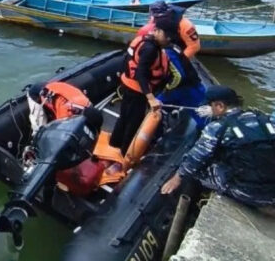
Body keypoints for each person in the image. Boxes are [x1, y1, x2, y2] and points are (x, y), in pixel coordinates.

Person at [161, 85, 275, 215]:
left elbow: (196, 158)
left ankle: (193, 204)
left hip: (247, 192)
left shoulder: (217, 128)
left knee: (198, 170)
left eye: (210, 106)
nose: (208, 109)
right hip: (271, 192)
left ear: (220, 106)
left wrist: (177, 177)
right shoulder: (262, 119)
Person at [109, 18, 173, 155]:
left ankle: (114, 142)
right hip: (136, 89)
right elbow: (140, 74)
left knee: (124, 116)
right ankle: (125, 152)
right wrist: (150, 98)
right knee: (134, 122)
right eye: (166, 36)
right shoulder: (150, 49)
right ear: (157, 31)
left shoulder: (146, 41)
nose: (168, 40)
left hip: (128, 84)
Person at [27, 81, 92, 135]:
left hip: (52, 88)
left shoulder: (87, 103)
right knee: (40, 125)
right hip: (36, 92)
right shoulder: (65, 113)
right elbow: (61, 130)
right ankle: (37, 136)